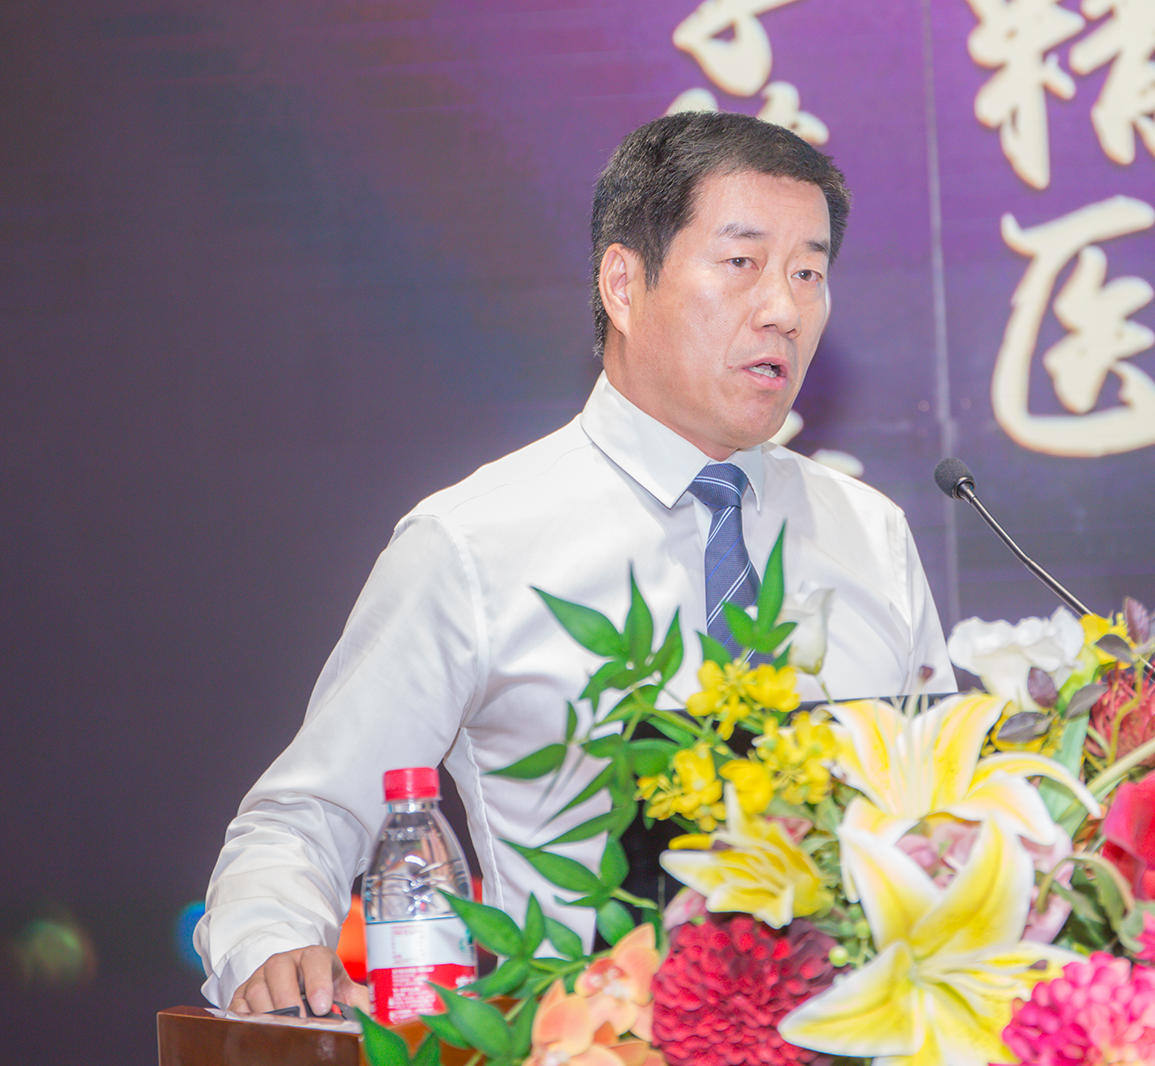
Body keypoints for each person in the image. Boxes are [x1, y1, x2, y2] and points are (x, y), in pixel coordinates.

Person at [197, 112, 956, 1016]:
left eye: (808, 273)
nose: (784, 310)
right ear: (624, 284)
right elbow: (305, 817)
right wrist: (271, 942)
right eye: (741, 261)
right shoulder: (475, 543)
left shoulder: (869, 532)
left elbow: (947, 820)